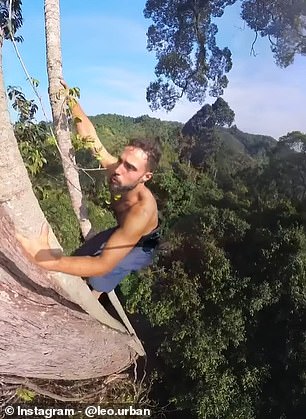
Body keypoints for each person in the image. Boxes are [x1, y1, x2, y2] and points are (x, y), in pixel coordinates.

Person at [16, 81, 161, 299]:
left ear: (146, 177)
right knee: (81, 255)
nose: (118, 170)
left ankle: (96, 298)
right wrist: (71, 100)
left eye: (130, 167)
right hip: (124, 228)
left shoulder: (141, 211)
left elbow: (102, 264)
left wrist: (45, 259)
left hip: (146, 243)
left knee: (100, 277)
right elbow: (91, 138)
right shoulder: (117, 170)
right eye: (121, 161)